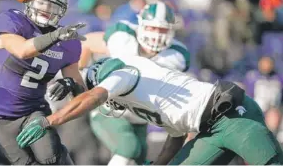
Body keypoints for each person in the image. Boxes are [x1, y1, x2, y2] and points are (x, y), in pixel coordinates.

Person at [17, 56, 283, 165]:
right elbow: (175, 135)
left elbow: (94, 95)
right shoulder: (141, 92)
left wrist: (50, 120)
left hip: (234, 115)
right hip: (209, 128)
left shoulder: (124, 76)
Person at [0, 0, 87, 165]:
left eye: (53, 6)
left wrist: (70, 84)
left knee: (53, 158)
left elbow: (81, 94)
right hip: (2, 115)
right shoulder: (13, 21)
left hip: (34, 111)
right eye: (42, 2)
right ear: (30, 1)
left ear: (61, 11)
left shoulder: (68, 43)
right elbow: (23, 51)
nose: (46, 9)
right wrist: (55, 36)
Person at [78, 1, 190, 165]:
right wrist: (79, 80)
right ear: (141, 25)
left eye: (163, 29)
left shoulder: (175, 56)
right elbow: (86, 42)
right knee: (128, 148)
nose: (157, 35)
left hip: (139, 118)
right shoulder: (123, 37)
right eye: (153, 28)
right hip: (109, 110)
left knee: (138, 159)